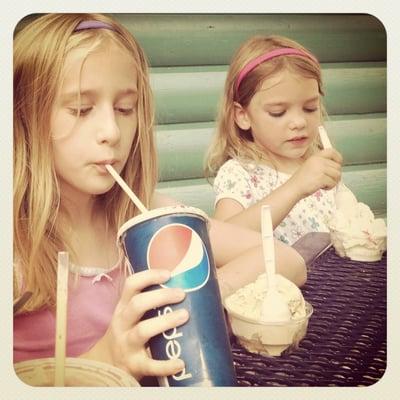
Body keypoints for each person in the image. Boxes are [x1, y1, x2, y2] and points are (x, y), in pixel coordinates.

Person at [13, 15, 306, 383]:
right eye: (80, 109)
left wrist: (196, 300)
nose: (111, 131)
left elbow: (286, 257)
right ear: (22, 116)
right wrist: (105, 358)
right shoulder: (15, 245)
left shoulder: (152, 219)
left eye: (125, 109)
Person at [205, 35, 344, 245]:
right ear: (243, 116)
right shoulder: (240, 174)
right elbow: (220, 242)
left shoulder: (320, 168)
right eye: (278, 112)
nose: (298, 122)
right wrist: (296, 187)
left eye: (310, 108)